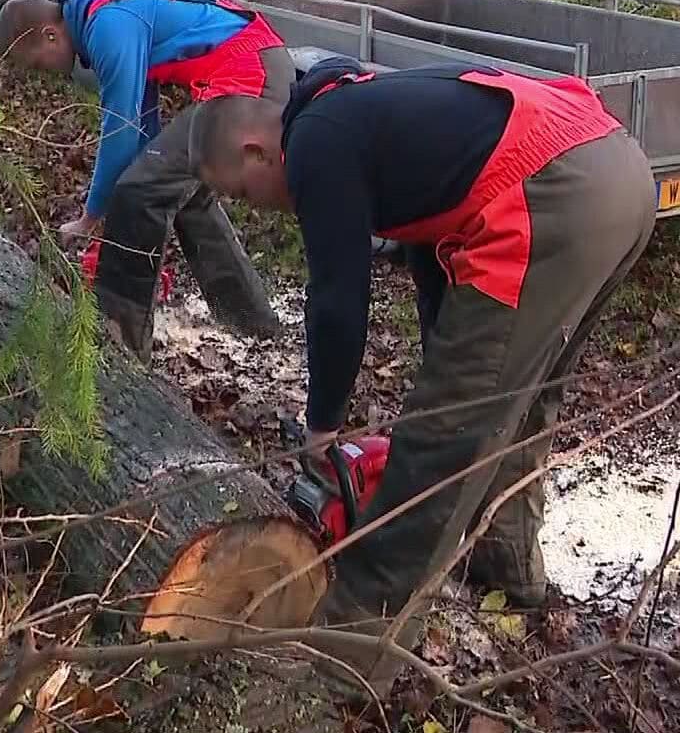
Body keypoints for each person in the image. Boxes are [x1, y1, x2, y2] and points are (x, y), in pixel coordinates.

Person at [191, 56, 655, 664]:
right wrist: (444, 353)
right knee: (523, 398)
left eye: (240, 192)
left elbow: (336, 297)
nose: (251, 205)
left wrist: (323, 422)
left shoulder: (315, 144)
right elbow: (433, 246)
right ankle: (506, 562)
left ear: (257, 152)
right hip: (616, 167)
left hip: (551, 192)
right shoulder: (358, 106)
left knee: (445, 435)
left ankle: (349, 655)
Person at [0, 0, 293, 354]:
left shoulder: (108, 26)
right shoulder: (106, 15)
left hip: (249, 72)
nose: (45, 74)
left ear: (50, 35)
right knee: (175, 188)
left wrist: (91, 217)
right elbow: (144, 128)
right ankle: (251, 323)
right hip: (254, 62)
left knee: (139, 190)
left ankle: (121, 342)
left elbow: (120, 129)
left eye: (38, 65)